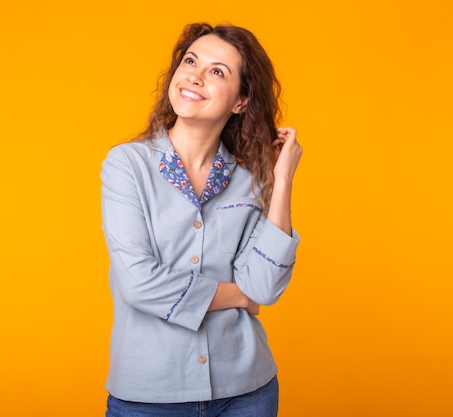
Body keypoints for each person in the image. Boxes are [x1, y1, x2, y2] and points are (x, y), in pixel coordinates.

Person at [101, 21, 303, 417]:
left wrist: (280, 181)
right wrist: (237, 295)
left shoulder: (247, 181)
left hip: (247, 392)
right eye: (191, 61)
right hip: (149, 396)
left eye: (216, 71)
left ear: (241, 101)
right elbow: (138, 282)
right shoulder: (127, 165)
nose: (194, 75)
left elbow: (264, 286)